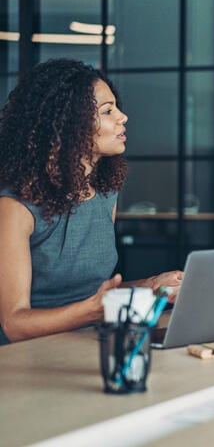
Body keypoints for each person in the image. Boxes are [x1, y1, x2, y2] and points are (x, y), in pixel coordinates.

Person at [0, 59, 184, 345]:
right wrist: (94, 311)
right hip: (24, 359)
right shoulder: (14, 207)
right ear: (66, 125)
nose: (123, 117)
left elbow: (93, 294)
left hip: (87, 343)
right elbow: (15, 324)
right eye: (107, 111)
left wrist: (150, 286)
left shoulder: (104, 192)